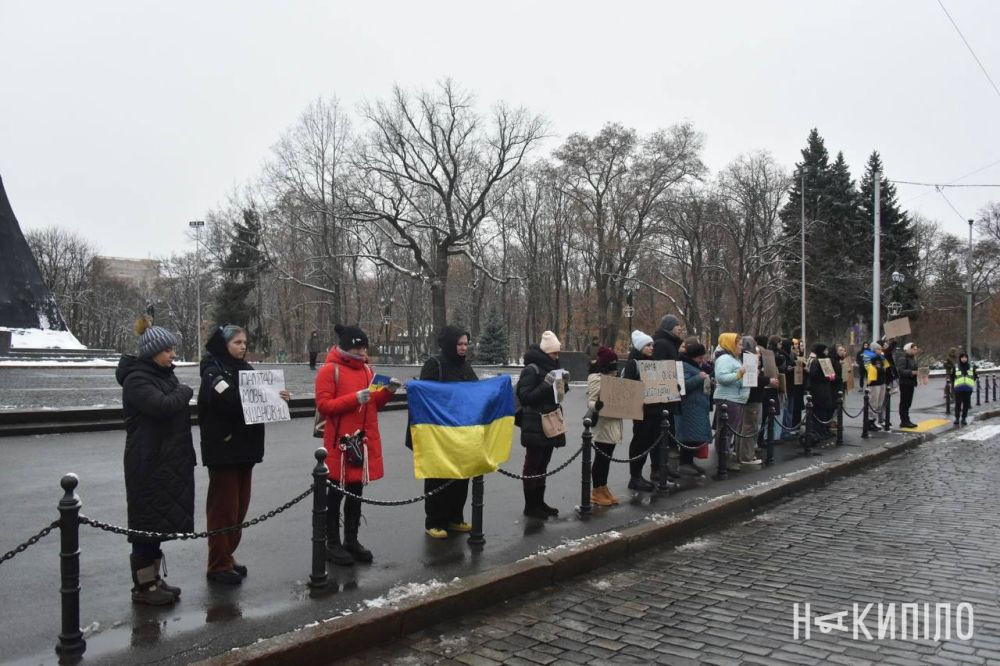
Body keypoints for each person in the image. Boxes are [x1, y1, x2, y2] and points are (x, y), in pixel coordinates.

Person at [198, 324, 289, 584]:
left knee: (238, 508)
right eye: (237, 342)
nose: (243, 346)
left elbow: (258, 397)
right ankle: (217, 563)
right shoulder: (213, 372)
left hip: (245, 449)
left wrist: (279, 397)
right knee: (223, 509)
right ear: (223, 344)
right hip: (224, 450)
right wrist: (267, 397)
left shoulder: (244, 369)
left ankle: (227, 555)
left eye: (244, 342)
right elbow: (228, 401)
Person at [116, 316, 194, 605]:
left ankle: (154, 579)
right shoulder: (137, 380)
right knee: (144, 527)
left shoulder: (163, 375)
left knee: (156, 525)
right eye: (168, 350)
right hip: (146, 462)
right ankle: (143, 587)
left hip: (165, 462)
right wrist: (184, 391)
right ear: (152, 352)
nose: (173, 355)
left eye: (173, 349)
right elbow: (163, 406)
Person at [315, 324, 400, 565]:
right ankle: (332, 543)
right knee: (334, 497)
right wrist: (354, 399)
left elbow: (374, 403)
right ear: (347, 347)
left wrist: (388, 391)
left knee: (356, 494)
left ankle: (351, 540)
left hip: (359, 444)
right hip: (338, 445)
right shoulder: (329, 370)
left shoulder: (367, 370)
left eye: (364, 348)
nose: (363, 352)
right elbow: (325, 406)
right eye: (359, 348)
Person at [420, 325, 478, 539]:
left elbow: (475, 391)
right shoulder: (434, 364)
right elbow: (427, 396)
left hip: (462, 431)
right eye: (459, 344)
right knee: (438, 477)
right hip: (439, 431)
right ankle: (434, 521)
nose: (463, 348)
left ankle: (455, 517)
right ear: (449, 345)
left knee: (461, 477)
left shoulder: (466, 367)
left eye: (465, 343)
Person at [517, 331, 568, 519]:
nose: (557, 357)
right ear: (545, 353)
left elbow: (557, 396)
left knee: (543, 463)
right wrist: (546, 384)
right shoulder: (532, 369)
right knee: (533, 463)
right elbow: (525, 397)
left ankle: (539, 502)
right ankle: (530, 505)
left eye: (558, 353)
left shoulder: (553, 367)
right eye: (554, 354)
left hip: (551, 419)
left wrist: (563, 385)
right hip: (534, 420)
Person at [622, 330, 674, 491]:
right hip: (642, 411)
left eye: (652, 344)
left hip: (656, 409)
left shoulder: (654, 362)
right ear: (640, 347)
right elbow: (629, 386)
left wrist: (672, 386)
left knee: (655, 442)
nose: (652, 347)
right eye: (648, 345)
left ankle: (656, 471)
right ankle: (635, 476)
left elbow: (663, 382)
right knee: (641, 443)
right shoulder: (633, 364)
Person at [588, 346, 623, 505]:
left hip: (613, 422)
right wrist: (598, 405)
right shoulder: (597, 379)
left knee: (607, 459)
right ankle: (596, 490)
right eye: (612, 362)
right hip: (603, 424)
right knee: (601, 459)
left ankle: (603, 487)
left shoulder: (615, 378)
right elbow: (591, 401)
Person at [713, 333, 749, 473]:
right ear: (730, 344)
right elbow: (721, 377)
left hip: (735, 398)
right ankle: (724, 460)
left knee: (728, 431)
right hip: (728, 398)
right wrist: (739, 374)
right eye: (739, 344)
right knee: (726, 432)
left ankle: (725, 457)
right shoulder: (725, 358)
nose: (741, 347)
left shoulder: (733, 358)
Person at [675, 342, 711, 477]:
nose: (702, 360)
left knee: (694, 437)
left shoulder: (693, 366)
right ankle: (684, 463)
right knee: (688, 437)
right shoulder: (684, 366)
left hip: (697, 407)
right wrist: (699, 377)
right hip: (689, 407)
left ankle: (689, 462)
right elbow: (682, 387)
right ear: (692, 356)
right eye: (700, 358)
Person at [806, 344, 836, 441]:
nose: (827, 352)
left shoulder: (825, 361)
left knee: (824, 411)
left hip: (825, 388)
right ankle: (819, 431)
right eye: (825, 350)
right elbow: (814, 375)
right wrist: (826, 377)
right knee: (819, 411)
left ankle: (823, 430)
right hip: (818, 390)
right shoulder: (816, 362)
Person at [863, 342, 891, 430]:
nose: (880, 350)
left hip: (881, 382)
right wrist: (879, 369)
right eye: (878, 349)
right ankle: (869, 421)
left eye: (880, 349)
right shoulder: (869, 357)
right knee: (873, 402)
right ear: (874, 350)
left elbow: (885, 367)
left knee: (880, 402)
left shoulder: (881, 358)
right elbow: (869, 368)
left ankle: (874, 421)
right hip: (874, 383)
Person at [895, 342, 920, 429]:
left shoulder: (912, 358)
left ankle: (906, 420)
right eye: (914, 349)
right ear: (909, 349)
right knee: (904, 402)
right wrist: (911, 372)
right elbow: (900, 371)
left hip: (910, 383)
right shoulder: (903, 358)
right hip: (905, 383)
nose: (916, 350)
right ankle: (904, 421)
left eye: (916, 349)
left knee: (908, 402)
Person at [950, 352, 976, 426]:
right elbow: (952, 376)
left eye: (965, 357)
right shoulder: (956, 367)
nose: (964, 359)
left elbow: (975, 376)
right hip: (958, 389)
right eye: (962, 357)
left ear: (967, 358)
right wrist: (954, 385)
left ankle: (964, 418)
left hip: (968, 389)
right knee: (957, 404)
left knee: (966, 405)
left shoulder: (971, 367)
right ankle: (957, 418)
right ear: (960, 358)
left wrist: (970, 384)